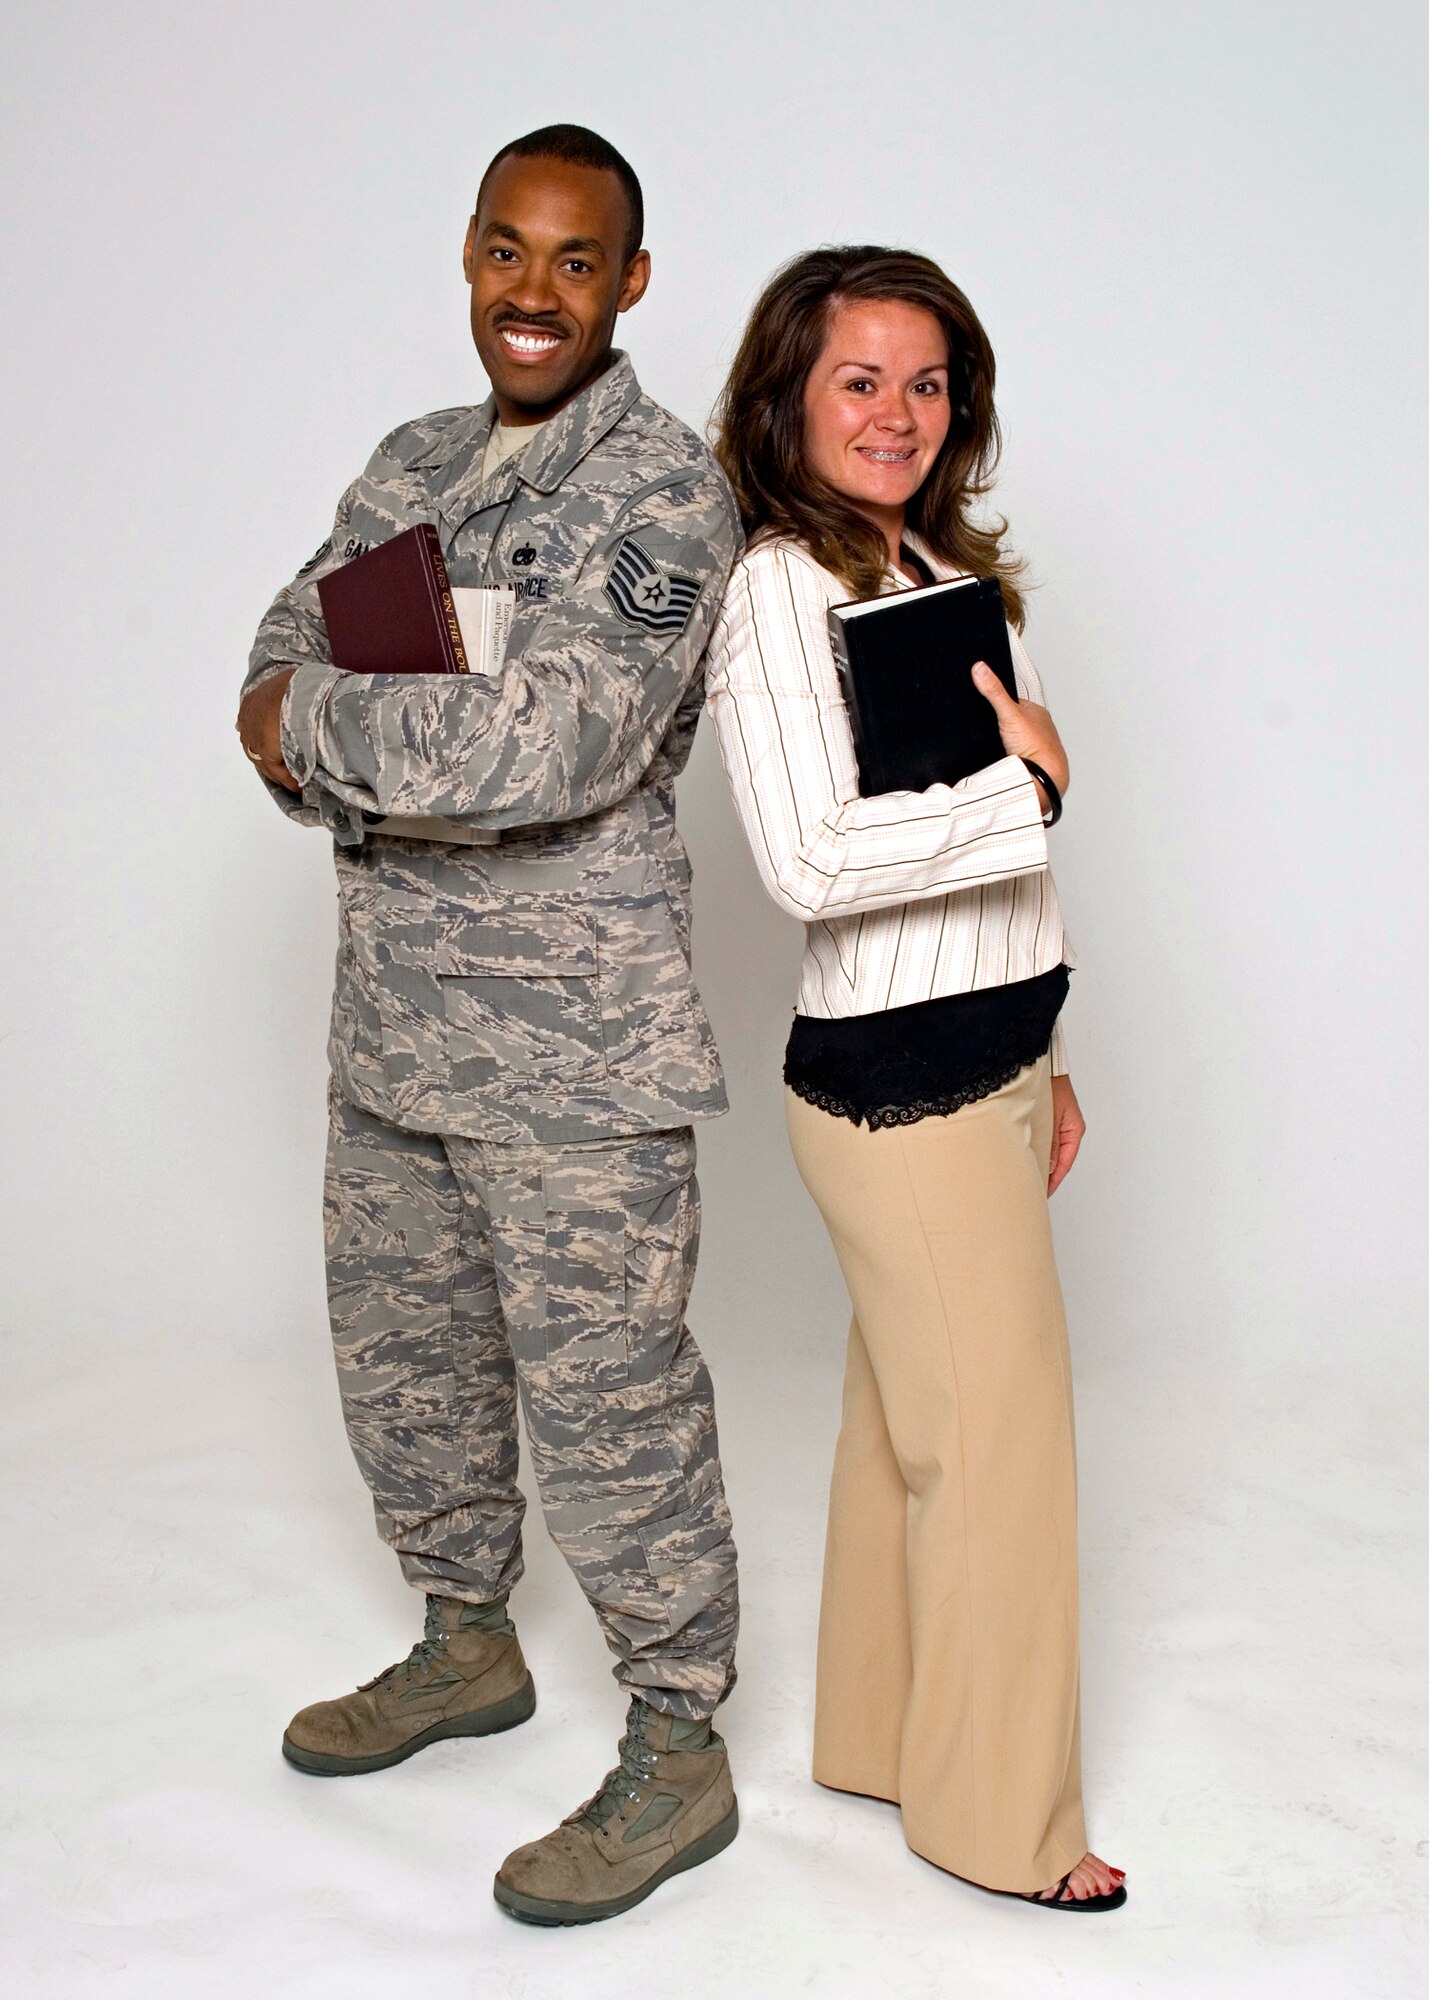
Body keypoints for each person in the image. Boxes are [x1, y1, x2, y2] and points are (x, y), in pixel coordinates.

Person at [236, 125, 741, 1927]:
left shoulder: (668, 495)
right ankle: (466, 1643)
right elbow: (273, 649)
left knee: (613, 1406)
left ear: (630, 281)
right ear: (469, 256)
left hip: (572, 1054)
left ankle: (678, 1746)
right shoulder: (415, 462)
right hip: (393, 1026)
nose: (536, 292)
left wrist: (325, 728)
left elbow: (562, 745)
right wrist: (336, 712)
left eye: (577, 260)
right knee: (407, 1371)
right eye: (507, 254)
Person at [705, 246, 1126, 1910]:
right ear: (787, 397)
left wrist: (1049, 1044)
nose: (896, 412)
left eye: (927, 381)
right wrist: (1024, 789)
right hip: (894, 1087)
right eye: (857, 379)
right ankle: (1001, 1825)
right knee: (998, 1448)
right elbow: (809, 860)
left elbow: (990, 871)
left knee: (909, 1427)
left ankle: (884, 1742)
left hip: (985, 1054)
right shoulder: (775, 592)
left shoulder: (942, 570)